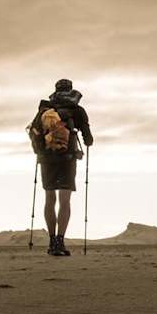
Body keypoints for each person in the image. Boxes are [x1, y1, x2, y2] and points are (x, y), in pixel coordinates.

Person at [28, 79, 93, 256]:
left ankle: (51, 243)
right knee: (65, 200)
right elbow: (89, 140)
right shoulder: (77, 110)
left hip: (47, 159)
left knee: (50, 198)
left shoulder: (45, 111)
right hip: (68, 159)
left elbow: (34, 133)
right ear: (71, 90)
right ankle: (60, 241)